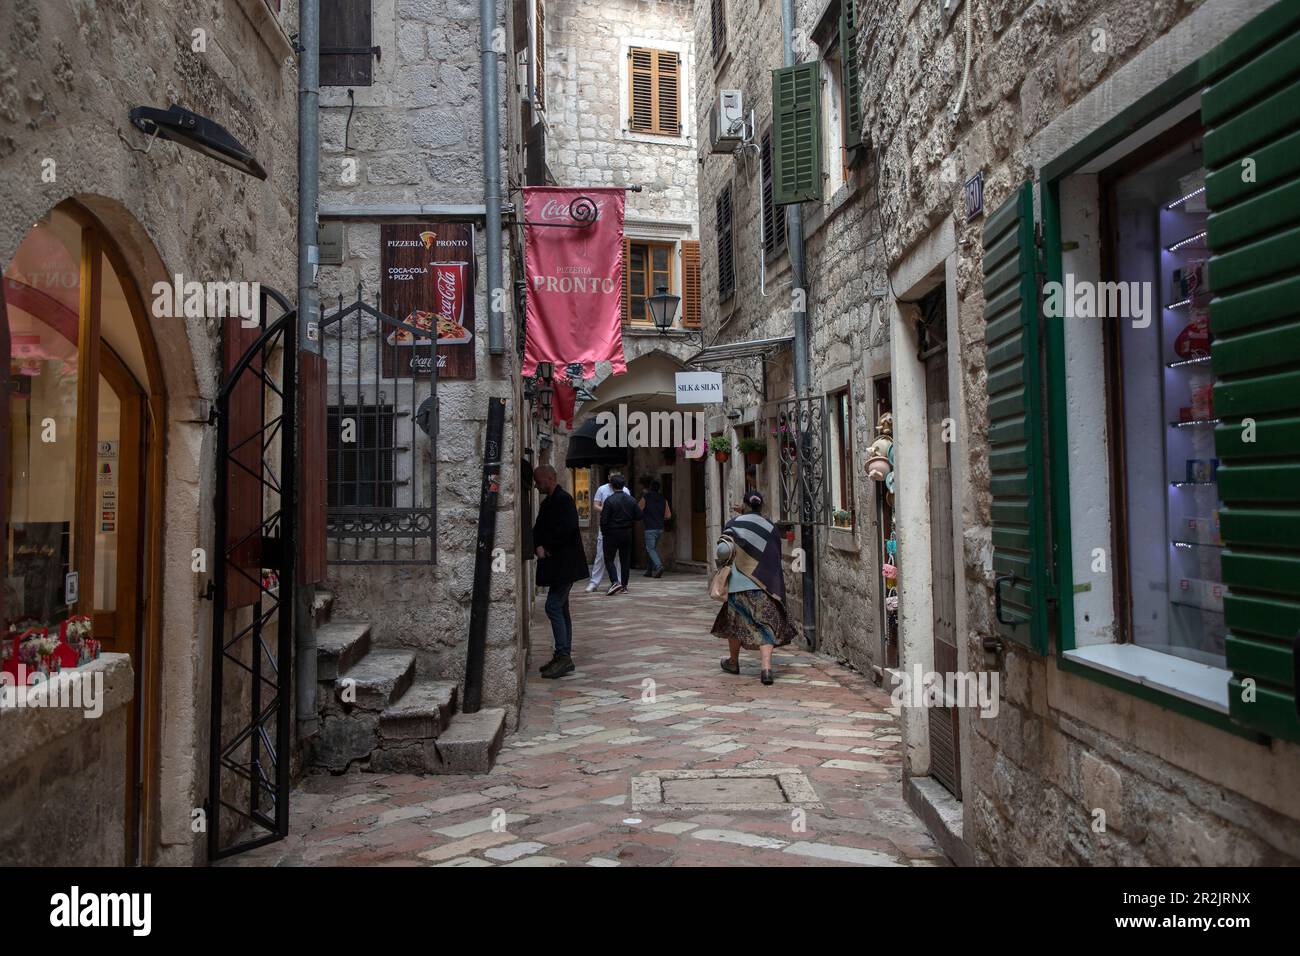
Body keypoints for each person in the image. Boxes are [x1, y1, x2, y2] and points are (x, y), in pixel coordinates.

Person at [712, 491, 797, 685]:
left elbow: (722, 550)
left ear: (744, 505)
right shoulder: (770, 526)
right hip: (766, 584)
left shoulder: (734, 524)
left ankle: (733, 662)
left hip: (739, 584)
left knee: (735, 625)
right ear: (761, 505)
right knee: (765, 624)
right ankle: (766, 669)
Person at [531, 465, 590, 678]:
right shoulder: (549, 502)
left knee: (553, 606)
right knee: (561, 609)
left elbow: (567, 529)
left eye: (538, 482)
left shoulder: (563, 500)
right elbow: (539, 528)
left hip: (565, 564)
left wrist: (546, 547)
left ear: (549, 478)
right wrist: (537, 544)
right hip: (559, 566)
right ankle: (562, 655)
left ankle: (564, 656)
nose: (536, 486)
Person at [599, 474, 641, 595]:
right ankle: (624, 586)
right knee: (625, 560)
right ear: (624, 485)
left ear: (611, 486)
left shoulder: (609, 500)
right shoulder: (631, 500)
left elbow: (604, 520)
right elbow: (639, 516)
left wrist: (604, 533)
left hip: (611, 533)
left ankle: (615, 582)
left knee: (608, 559)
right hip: (626, 533)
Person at [586, 474, 621, 592]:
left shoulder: (625, 490)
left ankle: (619, 581)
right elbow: (595, 505)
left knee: (617, 556)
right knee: (600, 555)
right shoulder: (602, 489)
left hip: (619, 527)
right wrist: (607, 510)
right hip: (605, 526)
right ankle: (594, 583)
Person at [637, 479, 671, 578]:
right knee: (652, 549)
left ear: (650, 488)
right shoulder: (663, 499)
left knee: (650, 548)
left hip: (649, 528)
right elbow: (668, 515)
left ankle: (659, 566)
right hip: (660, 528)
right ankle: (649, 570)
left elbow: (638, 510)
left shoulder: (646, 497)